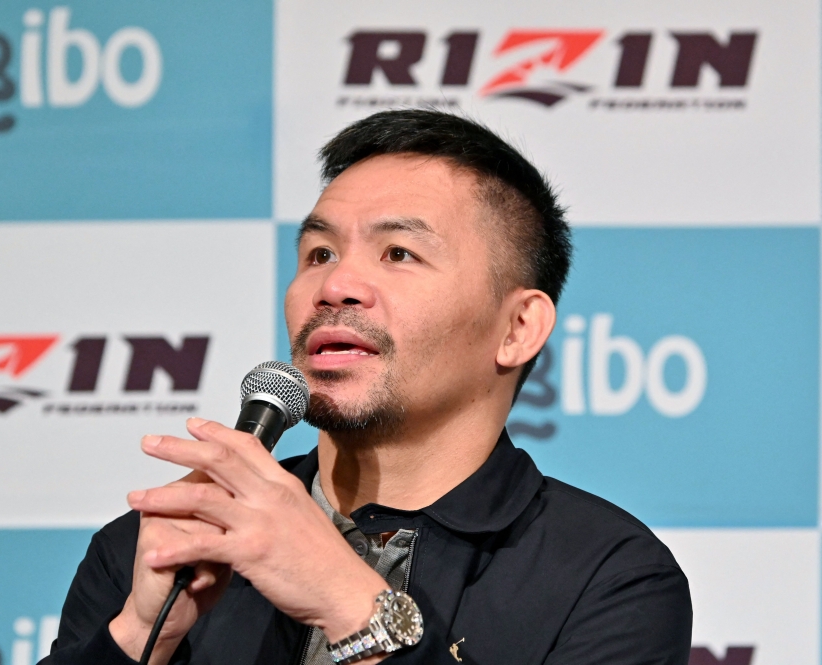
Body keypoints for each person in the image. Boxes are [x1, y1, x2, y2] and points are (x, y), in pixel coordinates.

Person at [44, 109, 692, 665]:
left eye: (398, 253)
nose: (335, 286)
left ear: (518, 327)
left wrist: (347, 600)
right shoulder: (156, 548)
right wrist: (140, 635)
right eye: (320, 254)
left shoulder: (607, 575)